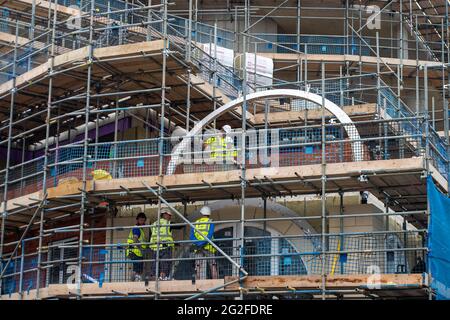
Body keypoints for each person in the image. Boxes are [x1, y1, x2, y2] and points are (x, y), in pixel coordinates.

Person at [190, 206, 218, 280]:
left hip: (198, 246)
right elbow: (210, 234)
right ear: (209, 214)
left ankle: (197, 282)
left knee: (198, 266)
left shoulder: (196, 223)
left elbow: (191, 237)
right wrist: (203, 243)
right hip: (208, 246)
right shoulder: (210, 222)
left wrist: (198, 243)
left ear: (201, 213)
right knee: (213, 265)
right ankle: (215, 281)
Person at [149, 209, 178, 280]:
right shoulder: (168, 223)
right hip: (165, 247)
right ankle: (163, 278)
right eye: (169, 215)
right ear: (164, 214)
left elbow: (152, 236)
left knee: (155, 265)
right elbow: (179, 226)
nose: (170, 217)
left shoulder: (153, 224)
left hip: (155, 248)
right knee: (164, 264)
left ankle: (154, 279)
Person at [126, 212, 148, 281]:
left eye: (143, 220)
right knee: (137, 269)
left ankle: (135, 280)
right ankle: (135, 281)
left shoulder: (140, 229)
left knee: (138, 269)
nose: (142, 222)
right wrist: (140, 247)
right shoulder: (137, 228)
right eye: (141, 220)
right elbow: (135, 239)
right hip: (136, 251)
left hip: (136, 252)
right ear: (137, 220)